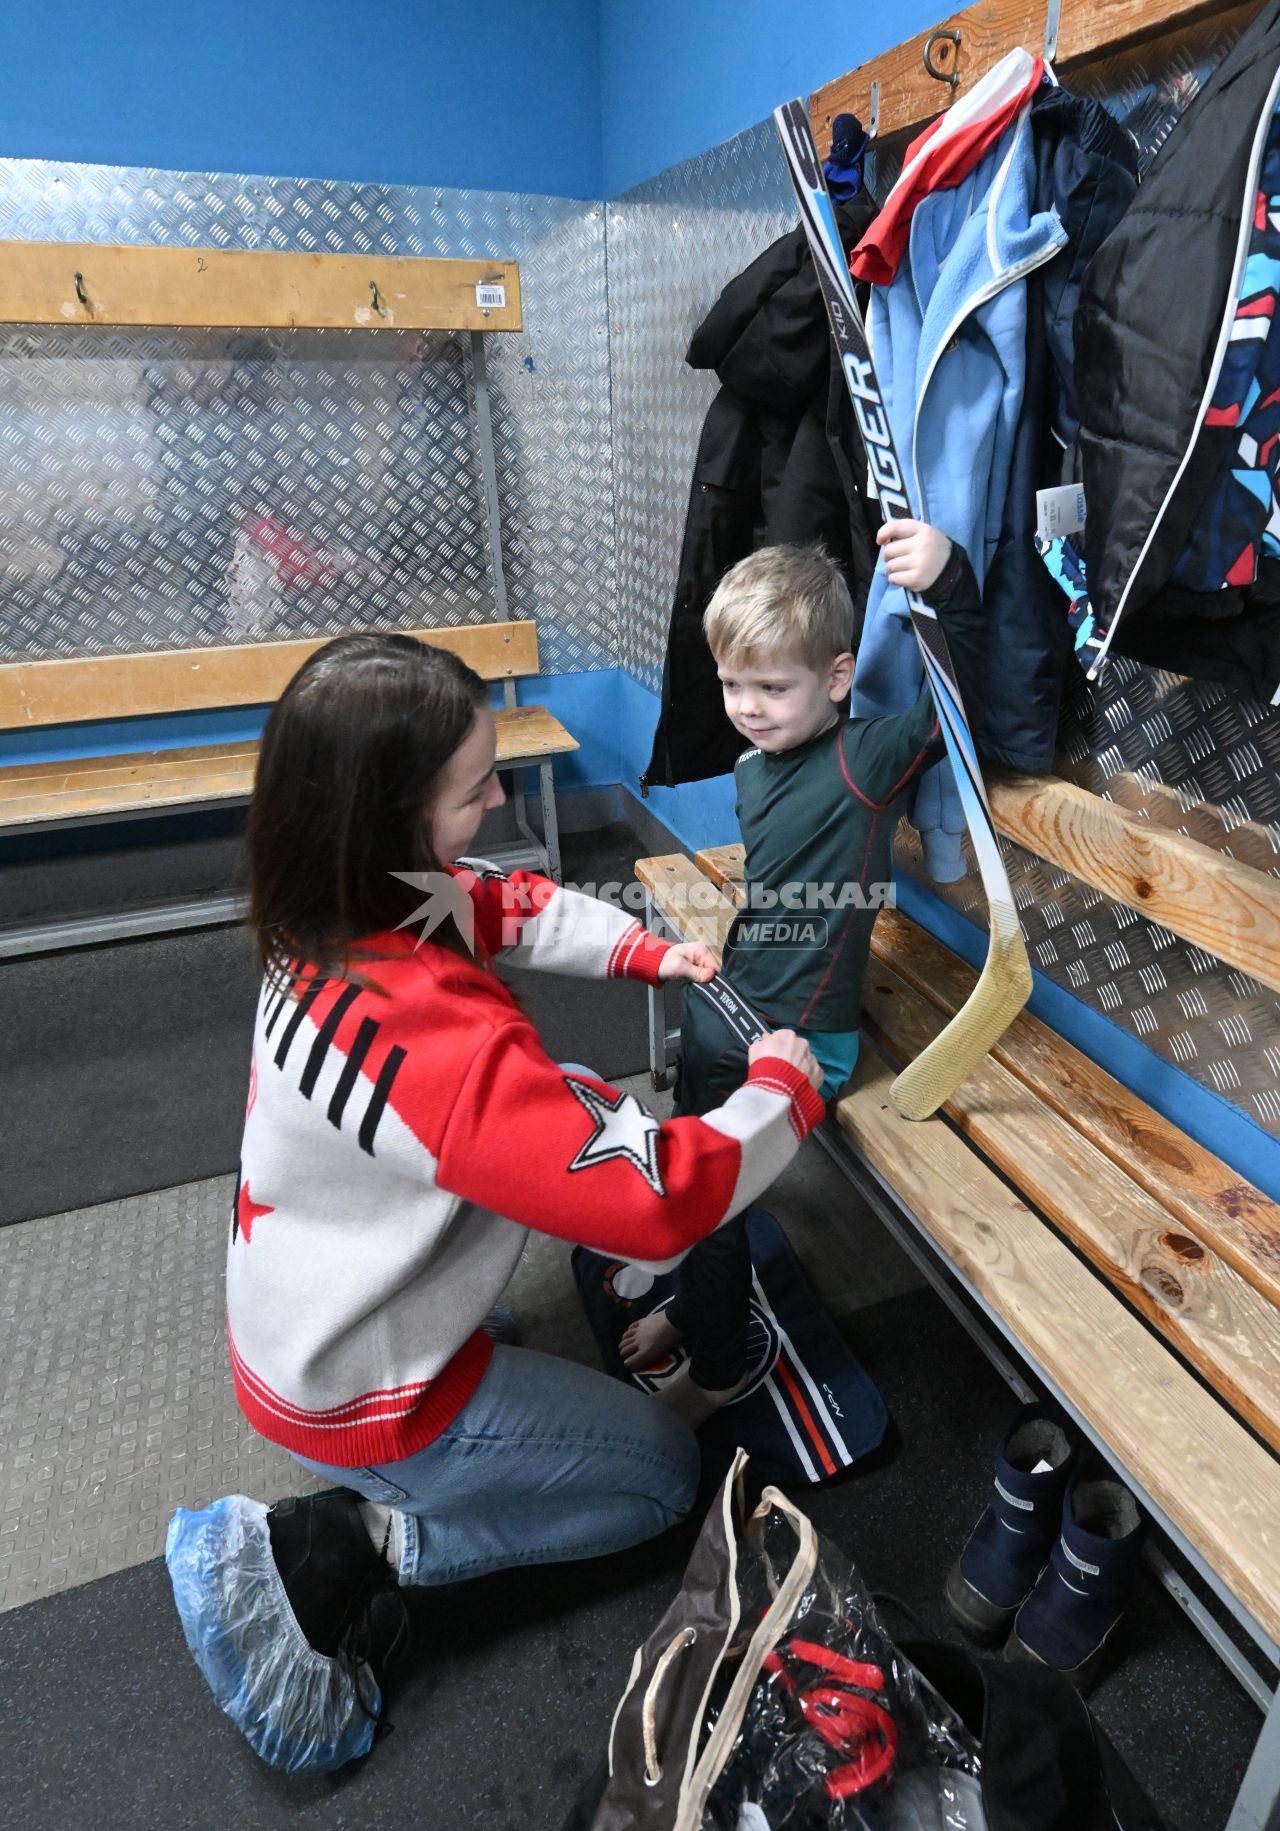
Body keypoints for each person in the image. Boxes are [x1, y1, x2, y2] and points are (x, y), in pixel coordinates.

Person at [165, 631, 826, 1775]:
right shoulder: (423, 1037)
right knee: (664, 1486)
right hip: (358, 1391)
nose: (503, 800)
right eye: (476, 790)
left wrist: (640, 951)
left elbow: (491, 902)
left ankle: (428, 1426)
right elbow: (654, 1201)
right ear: (392, 818)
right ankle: (374, 1538)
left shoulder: (329, 908)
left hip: (310, 1315)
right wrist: (780, 1093)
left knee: (561, 1114)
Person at [621, 519, 985, 1424]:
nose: (747, 706)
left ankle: (723, 1362)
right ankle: (692, 1293)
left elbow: (961, 695)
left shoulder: (865, 758)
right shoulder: (755, 766)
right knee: (679, 1137)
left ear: (834, 677)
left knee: (704, 1189)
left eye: (772, 686)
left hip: (804, 1042)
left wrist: (952, 582)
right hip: (740, 1003)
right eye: (733, 683)